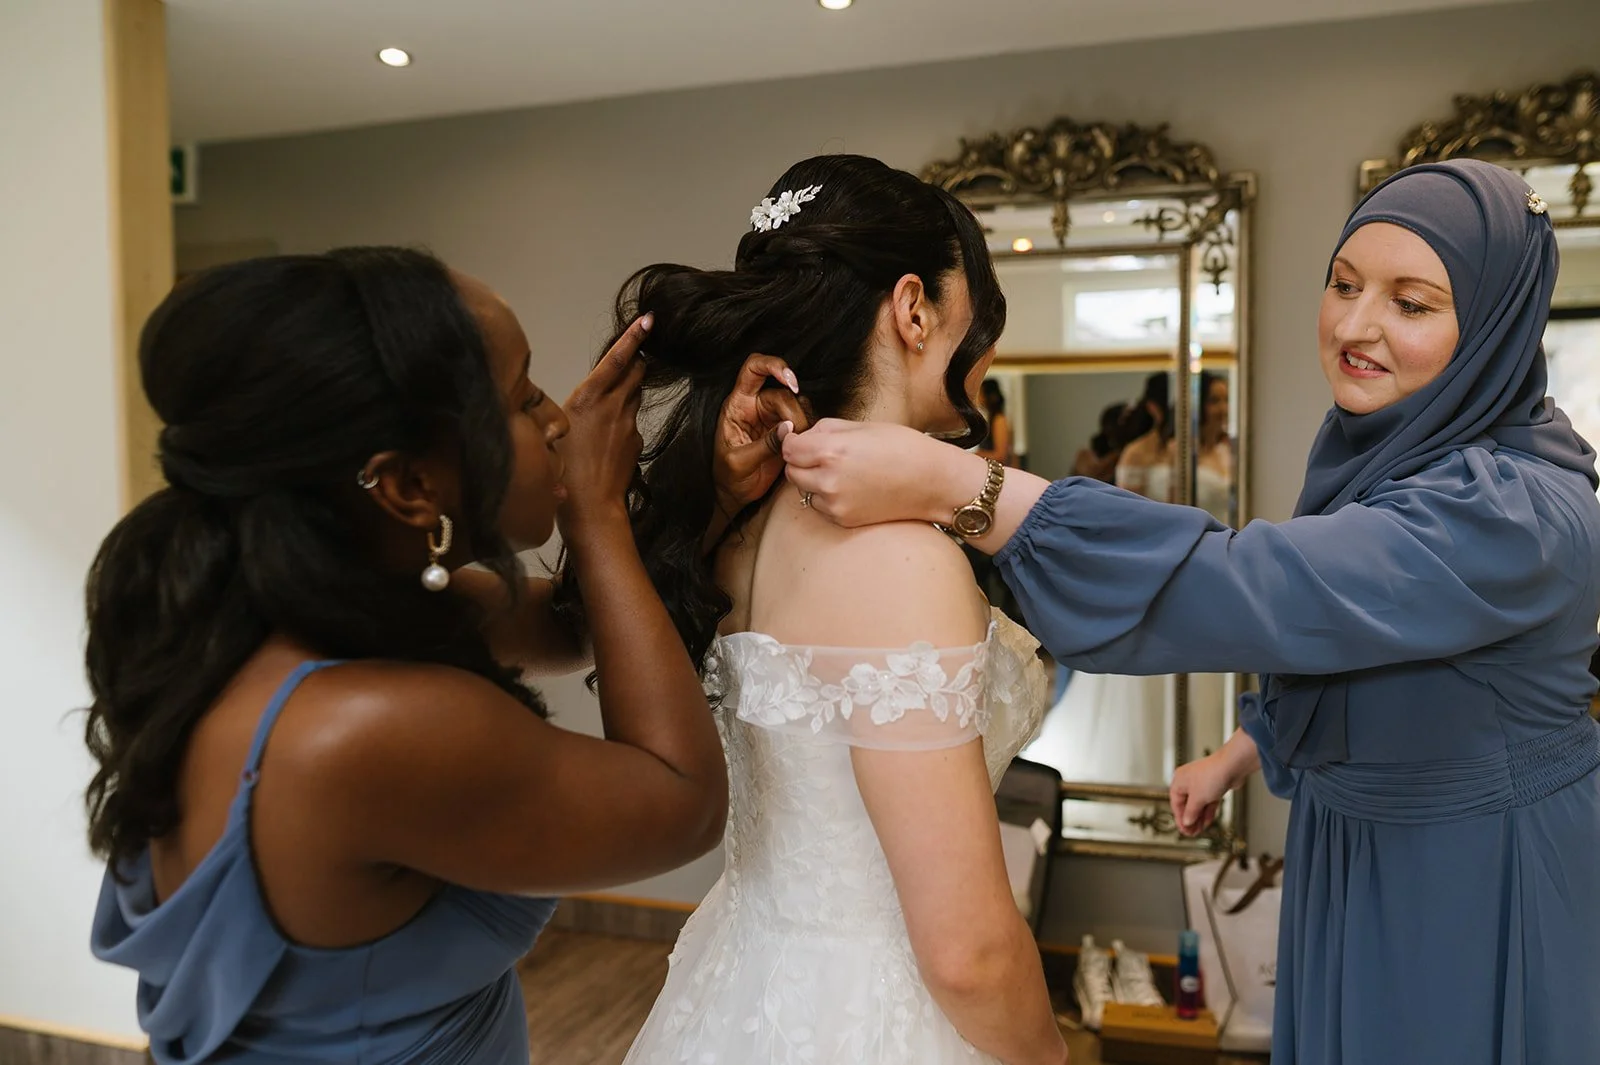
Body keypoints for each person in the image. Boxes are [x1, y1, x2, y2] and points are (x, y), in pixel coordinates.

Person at [777, 159, 1600, 1064]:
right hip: (1356, 845)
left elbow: (1263, 587)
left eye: (1412, 303)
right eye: (1343, 284)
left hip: (1475, 871)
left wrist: (959, 482)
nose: (1356, 326)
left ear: (1492, 326)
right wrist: (1249, 748)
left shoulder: (1518, 510)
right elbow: (1363, 631)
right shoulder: (1394, 455)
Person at [83, 248, 805, 1065]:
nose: (560, 421)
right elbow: (683, 803)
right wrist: (596, 517)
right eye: (524, 397)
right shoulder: (365, 729)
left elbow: (578, 623)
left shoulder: (301, 618)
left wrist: (702, 490)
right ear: (406, 487)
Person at [597, 155, 1067, 1065]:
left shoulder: (734, 522)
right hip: (882, 1015)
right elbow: (966, 953)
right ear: (914, 307)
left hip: (742, 982)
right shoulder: (899, 557)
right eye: (976, 307)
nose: (989, 343)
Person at [975, 378, 1017, 466]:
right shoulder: (991, 418)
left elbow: (1000, 455)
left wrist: (977, 454)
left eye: (980, 393)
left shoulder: (999, 419)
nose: (977, 397)